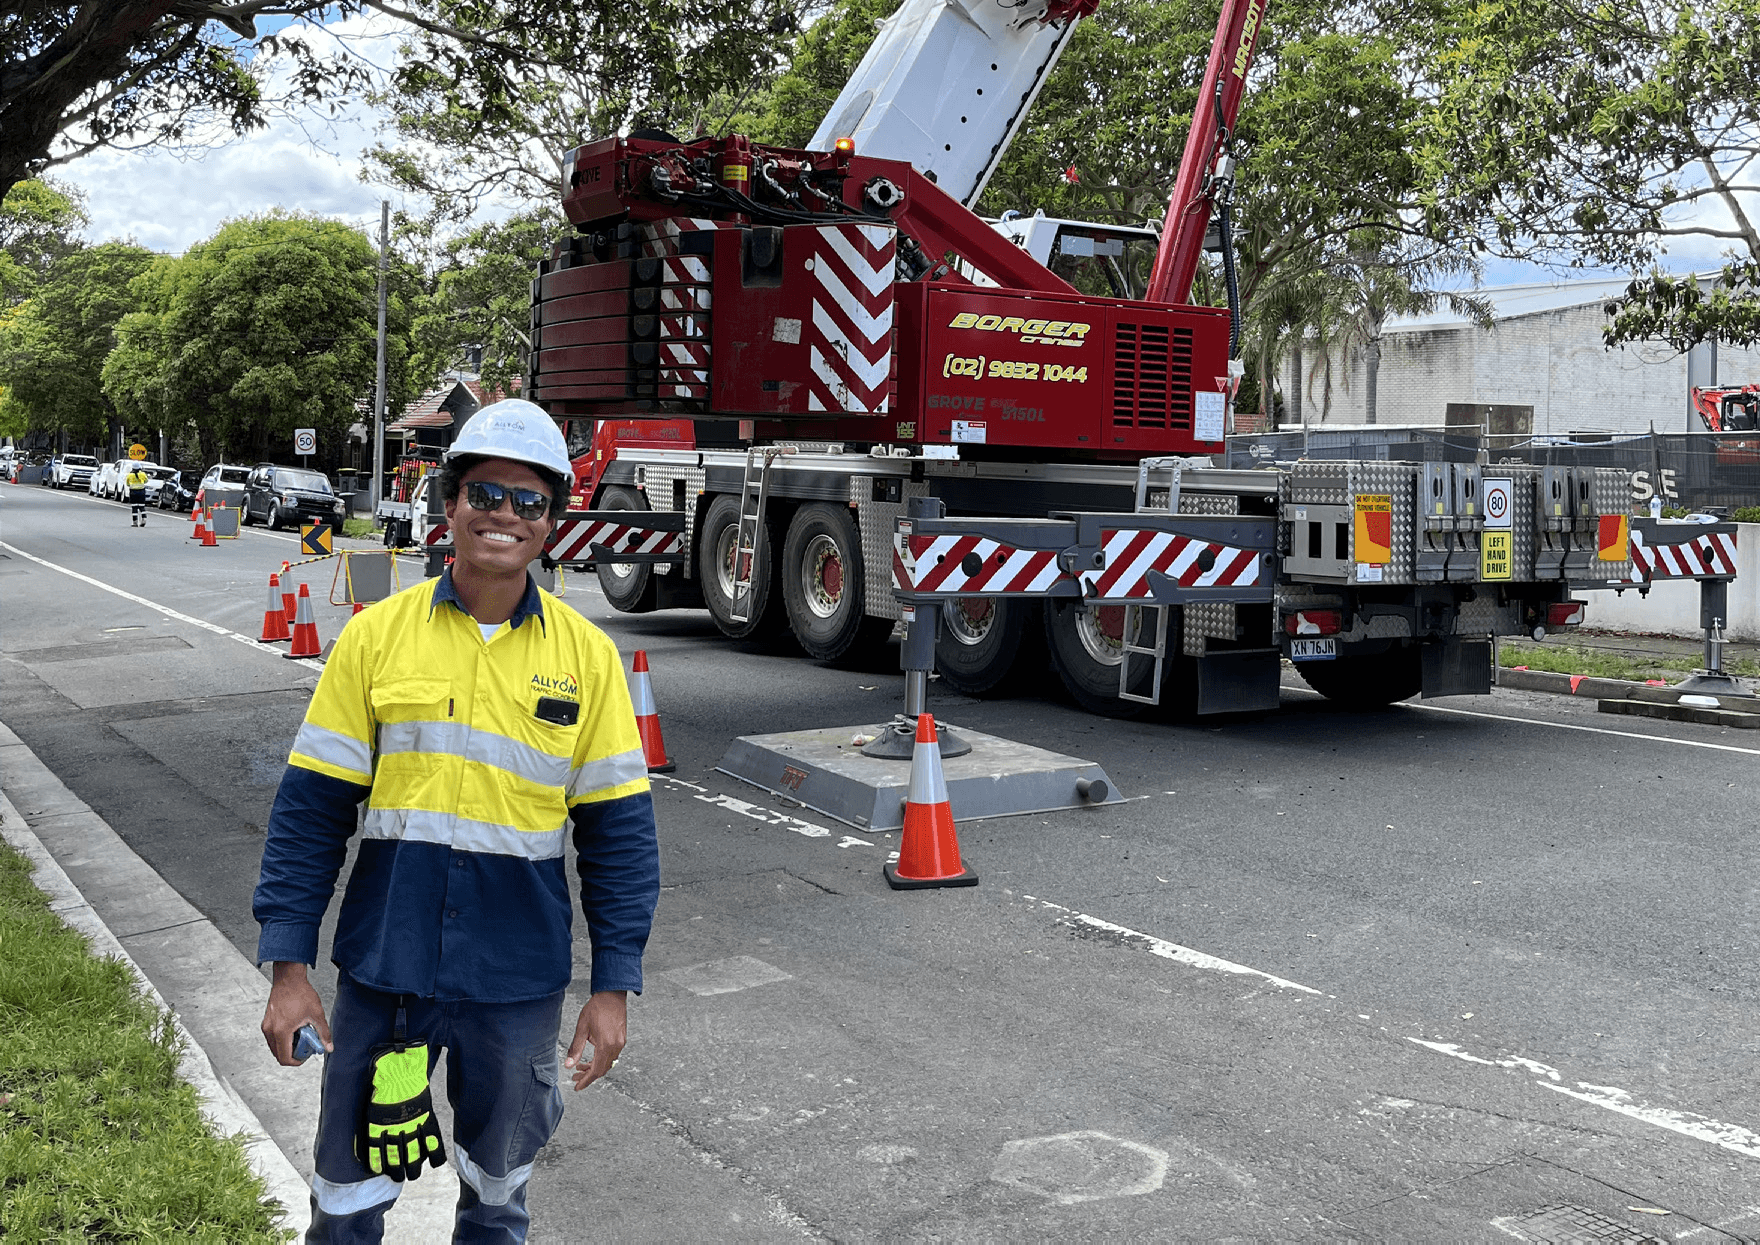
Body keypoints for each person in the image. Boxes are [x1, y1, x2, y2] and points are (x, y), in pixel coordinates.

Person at [253, 399, 660, 1243]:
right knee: (346, 1202)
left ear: (551, 521)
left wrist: (614, 984)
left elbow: (619, 840)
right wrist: (287, 969)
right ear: (451, 503)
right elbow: (311, 812)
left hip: (514, 983)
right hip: (384, 972)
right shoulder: (378, 638)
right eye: (485, 493)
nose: (504, 516)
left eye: (528, 501)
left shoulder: (587, 659)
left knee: (498, 1198)